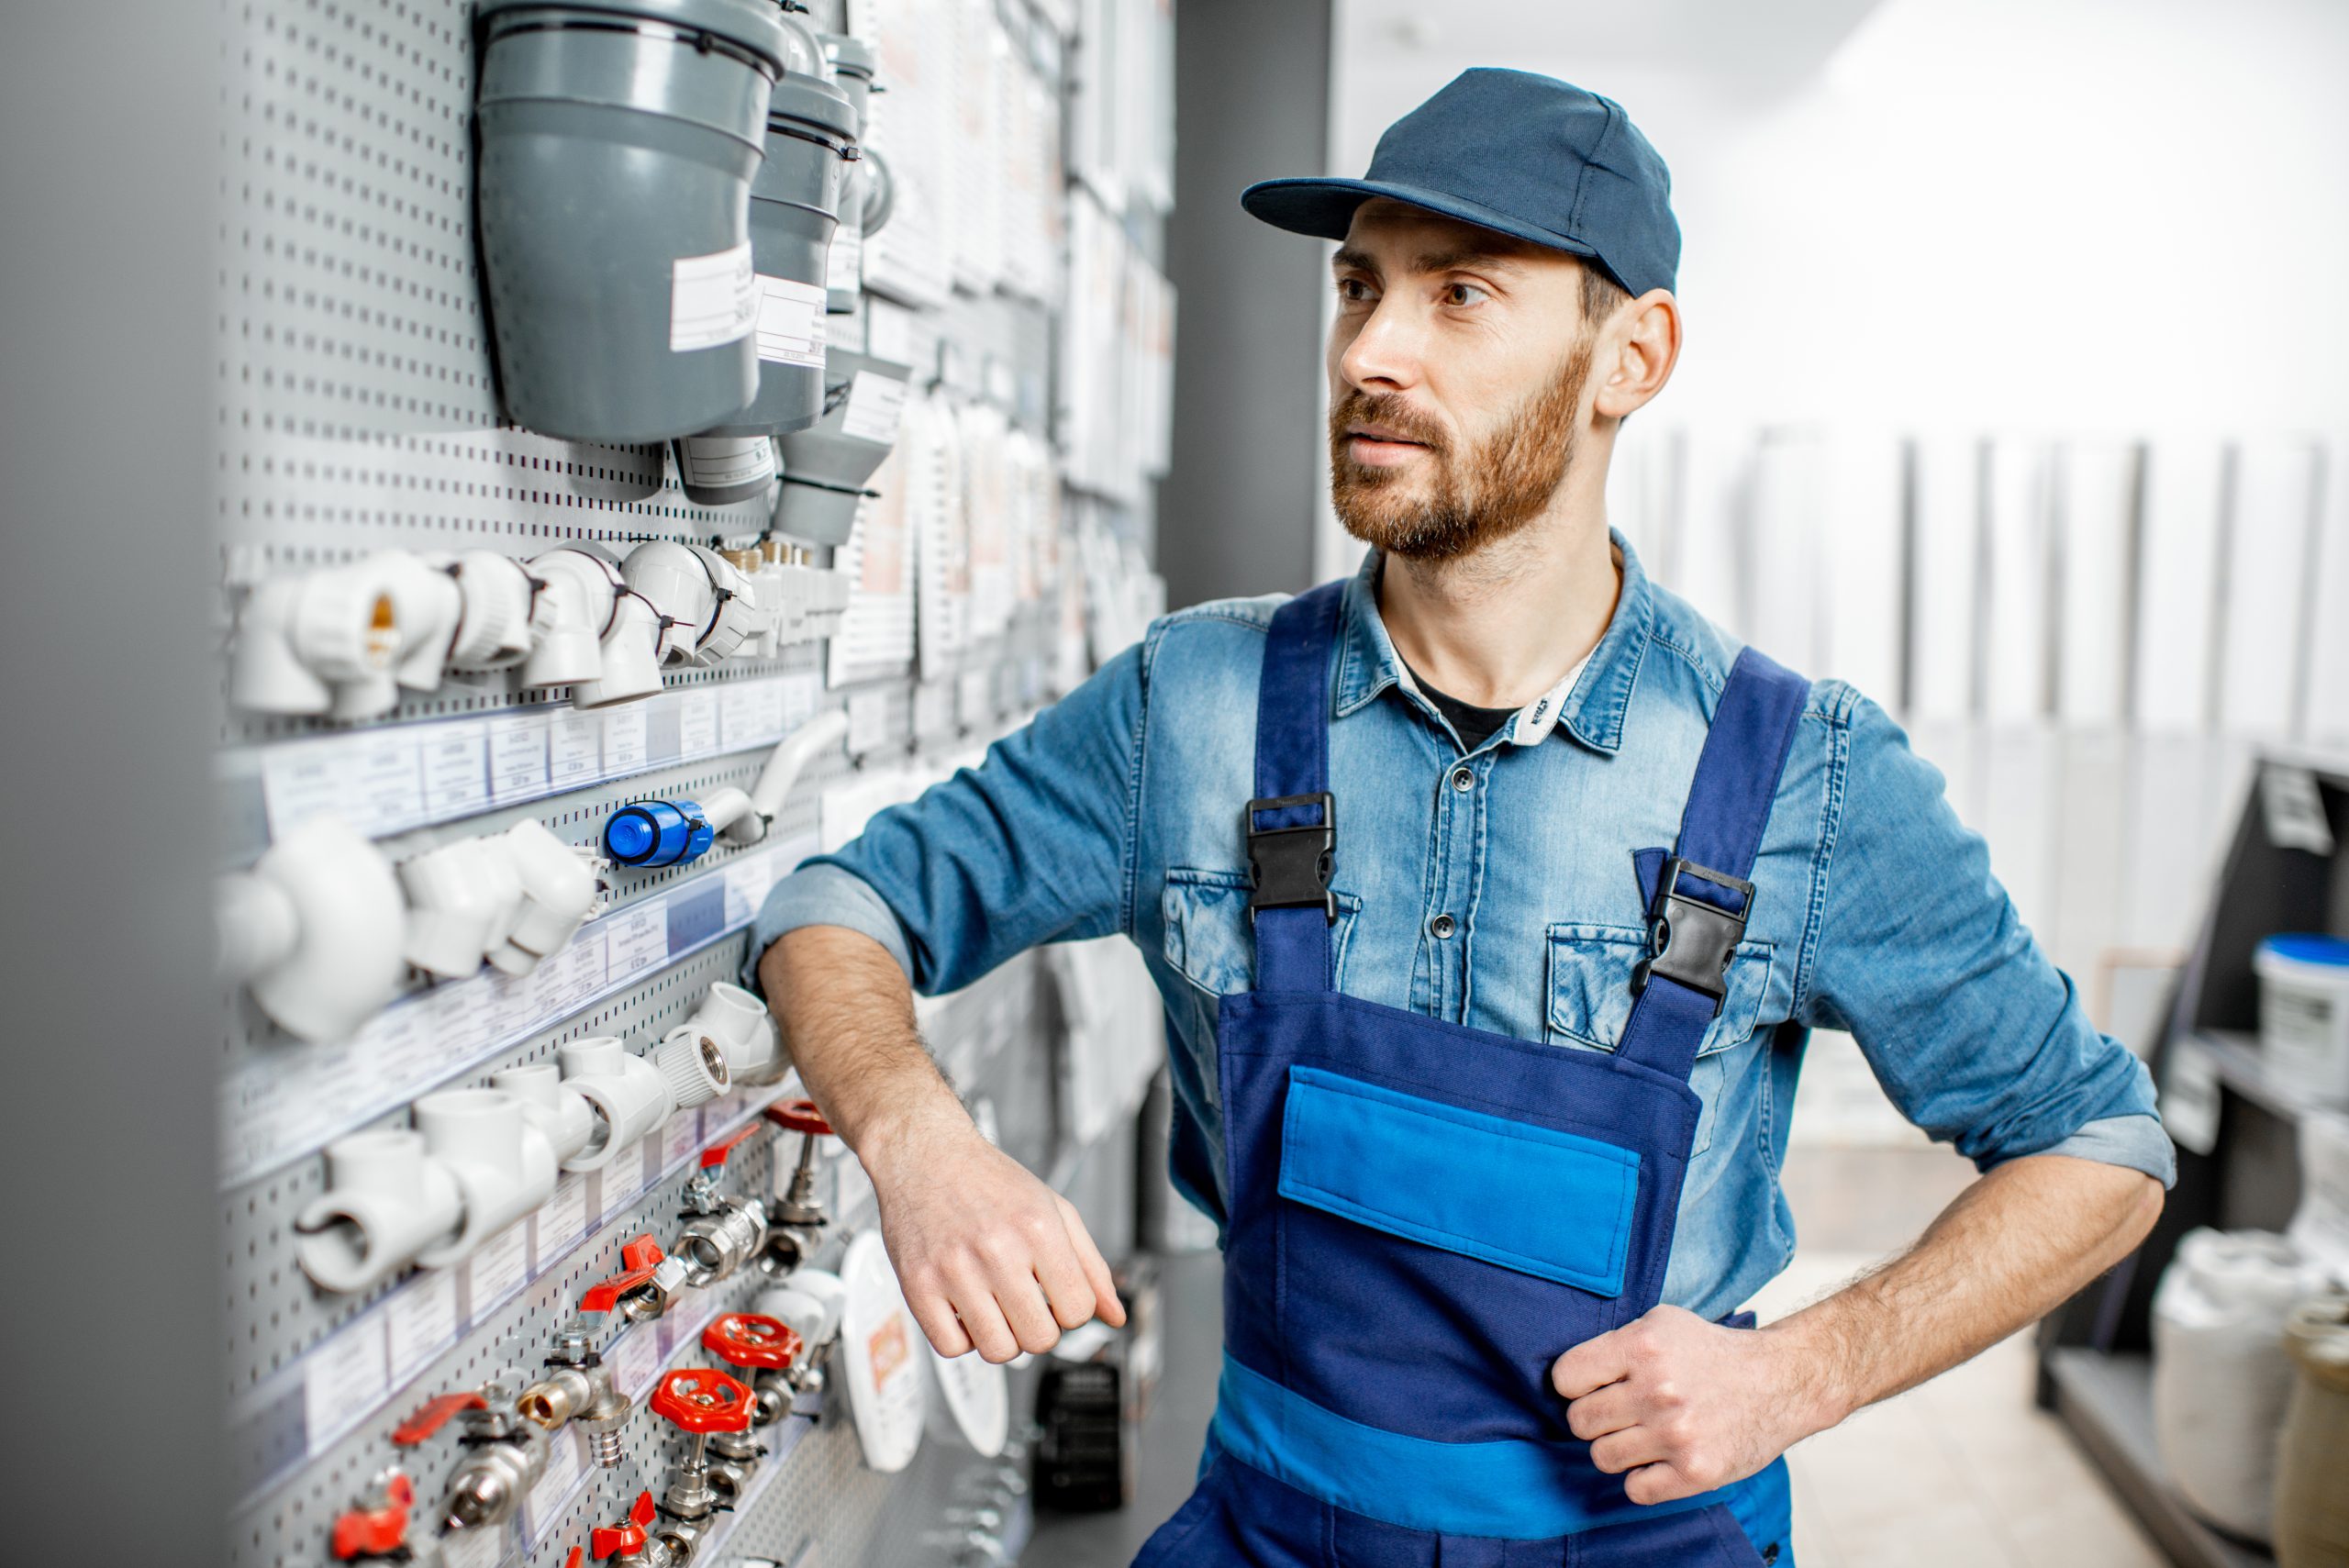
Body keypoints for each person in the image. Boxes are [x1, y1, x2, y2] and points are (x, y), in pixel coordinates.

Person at [744, 68, 2172, 1567]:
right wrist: (921, 1144)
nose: (1372, 350)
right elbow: (838, 904)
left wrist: (1799, 1371)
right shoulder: (1196, 704)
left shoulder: (1799, 773)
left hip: (1645, 1543)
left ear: (1633, 355)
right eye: (1359, 287)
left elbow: (2101, 1147)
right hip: (1272, 1525)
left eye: (1461, 295)